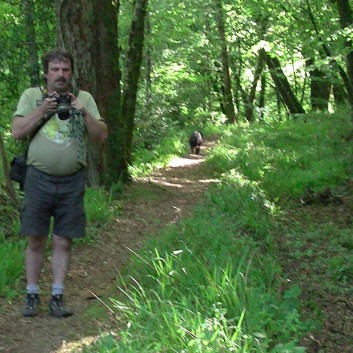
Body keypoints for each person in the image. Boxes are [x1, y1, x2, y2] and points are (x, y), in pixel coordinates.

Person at [12, 48, 108, 318]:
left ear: (72, 73)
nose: (60, 75)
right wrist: (43, 108)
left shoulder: (84, 98)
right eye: (55, 70)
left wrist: (83, 112)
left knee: (64, 241)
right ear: (46, 73)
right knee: (35, 239)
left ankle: (57, 295)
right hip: (37, 178)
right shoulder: (33, 96)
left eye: (65, 70)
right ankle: (31, 294)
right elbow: (17, 131)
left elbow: (101, 137)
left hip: (72, 180)